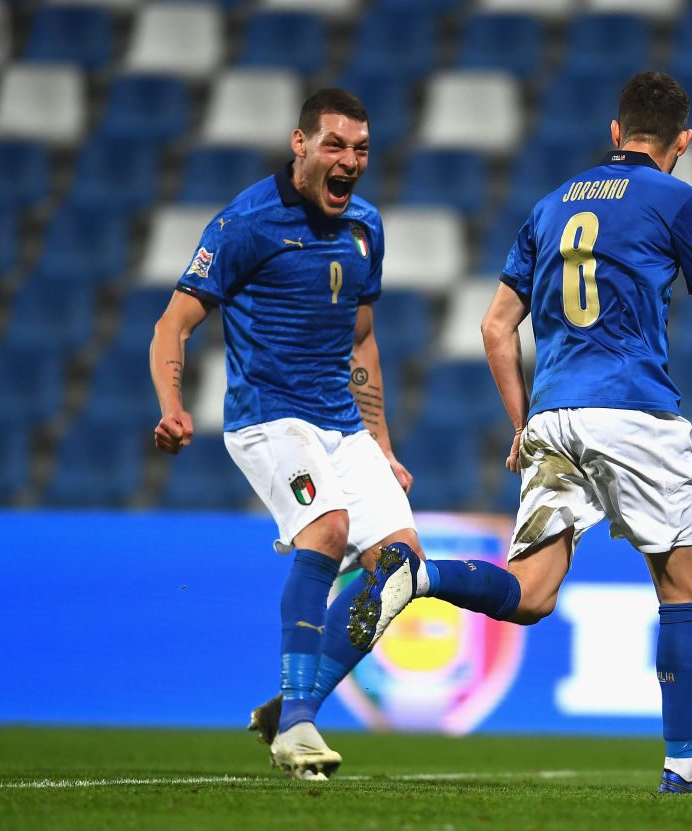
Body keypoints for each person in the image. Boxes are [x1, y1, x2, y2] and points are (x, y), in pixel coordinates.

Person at [351, 71, 692, 796]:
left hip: (554, 413)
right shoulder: (678, 199)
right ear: (682, 142)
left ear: (615, 133)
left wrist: (523, 425)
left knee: (531, 592)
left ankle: (422, 574)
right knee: (681, 585)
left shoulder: (551, 205)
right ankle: (681, 767)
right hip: (634, 411)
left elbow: (495, 326)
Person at [149, 89, 518, 781]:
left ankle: (296, 698)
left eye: (361, 150)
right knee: (327, 527)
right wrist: (171, 403)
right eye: (336, 146)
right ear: (300, 145)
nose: (350, 161)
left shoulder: (367, 228)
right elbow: (173, 324)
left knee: (400, 567)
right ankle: (298, 727)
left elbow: (362, 341)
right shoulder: (245, 223)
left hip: (342, 424)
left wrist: (381, 440)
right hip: (267, 417)